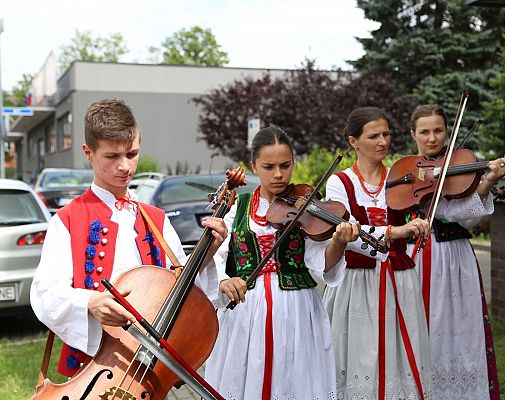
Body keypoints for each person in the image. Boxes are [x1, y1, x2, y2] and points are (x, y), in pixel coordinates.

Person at [30, 99, 227, 377]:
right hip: (92, 368)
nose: (125, 166)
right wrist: (90, 302)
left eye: (132, 154)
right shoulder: (67, 220)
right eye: (112, 156)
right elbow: (45, 292)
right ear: (89, 152)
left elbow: (180, 285)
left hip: (152, 365)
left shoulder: (156, 218)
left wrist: (207, 253)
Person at [204, 126, 364, 400]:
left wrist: (338, 242)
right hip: (245, 311)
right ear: (254, 165)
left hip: (296, 311)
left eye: (285, 165)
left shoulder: (307, 208)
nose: (278, 174)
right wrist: (223, 280)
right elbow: (215, 256)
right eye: (268, 166)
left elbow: (322, 263)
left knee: (294, 378)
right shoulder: (237, 207)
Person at [323, 107, 434, 399]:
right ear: (353, 141)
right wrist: (395, 232)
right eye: (373, 136)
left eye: (386, 134)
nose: (383, 141)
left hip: (399, 281)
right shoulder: (340, 183)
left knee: (400, 353)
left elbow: (446, 205)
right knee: (359, 353)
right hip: (356, 284)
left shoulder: (403, 178)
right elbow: (347, 237)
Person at [408, 104, 505, 400]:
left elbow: (466, 218)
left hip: (456, 259)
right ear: (413, 134)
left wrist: (488, 180)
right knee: (424, 328)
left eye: (438, 130)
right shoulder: (405, 172)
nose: (432, 138)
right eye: (424, 132)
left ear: (447, 133)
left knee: (461, 330)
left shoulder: (460, 170)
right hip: (419, 258)